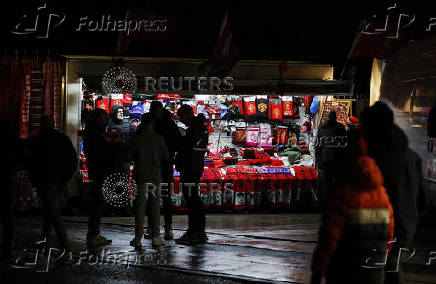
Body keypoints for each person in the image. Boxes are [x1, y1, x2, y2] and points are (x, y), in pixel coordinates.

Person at [311, 129, 394, 284]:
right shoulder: (381, 194)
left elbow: (329, 238)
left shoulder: (342, 193)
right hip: (373, 268)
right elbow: (389, 235)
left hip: (345, 269)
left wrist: (318, 272)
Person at [360, 101, 425, 284]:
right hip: (404, 226)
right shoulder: (412, 156)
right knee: (390, 268)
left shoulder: (373, 159)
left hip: (378, 229)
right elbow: (421, 200)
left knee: (377, 273)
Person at [28, 116, 77, 263]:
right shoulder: (63, 139)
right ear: (54, 124)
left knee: (53, 215)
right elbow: (73, 160)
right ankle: (44, 246)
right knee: (50, 214)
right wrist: (66, 178)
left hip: (45, 182)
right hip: (59, 182)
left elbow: (31, 163)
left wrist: (34, 180)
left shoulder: (37, 141)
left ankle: (66, 249)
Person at [129, 113, 169, 248]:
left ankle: (138, 237)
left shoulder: (136, 138)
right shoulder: (159, 138)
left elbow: (130, 155)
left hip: (140, 175)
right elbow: (166, 156)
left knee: (140, 207)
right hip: (155, 176)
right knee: (155, 206)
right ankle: (156, 236)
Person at [143, 101, 180, 240]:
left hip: (163, 164)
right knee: (154, 197)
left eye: (156, 110)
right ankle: (154, 227)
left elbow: (176, 143)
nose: (155, 113)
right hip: (156, 165)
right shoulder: (149, 123)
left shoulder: (167, 124)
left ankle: (166, 227)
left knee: (164, 197)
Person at [83, 108, 118, 246]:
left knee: (98, 202)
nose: (107, 119)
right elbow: (101, 152)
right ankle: (94, 233)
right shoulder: (96, 133)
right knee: (99, 202)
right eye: (104, 117)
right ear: (98, 119)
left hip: (99, 170)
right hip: (102, 171)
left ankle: (93, 233)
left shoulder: (93, 132)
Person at [175, 104, 209, 245]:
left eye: (182, 117)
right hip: (195, 167)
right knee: (194, 200)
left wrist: (179, 159)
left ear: (188, 114)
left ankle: (194, 232)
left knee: (192, 200)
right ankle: (198, 232)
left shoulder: (194, 129)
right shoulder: (201, 127)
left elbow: (187, 149)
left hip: (190, 168)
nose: (182, 120)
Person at [315, 111, 346, 208]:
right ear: (335, 117)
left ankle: (326, 203)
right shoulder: (340, 128)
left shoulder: (321, 129)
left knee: (326, 182)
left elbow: (317, 146)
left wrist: (319, 160)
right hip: (337, 160)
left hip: (325, 159)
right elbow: (344, 145)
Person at [0, 116, 15, 261]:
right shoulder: (9, 146)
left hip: (5, 180)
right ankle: (7, 247)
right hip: (5, 181)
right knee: (7, 217)